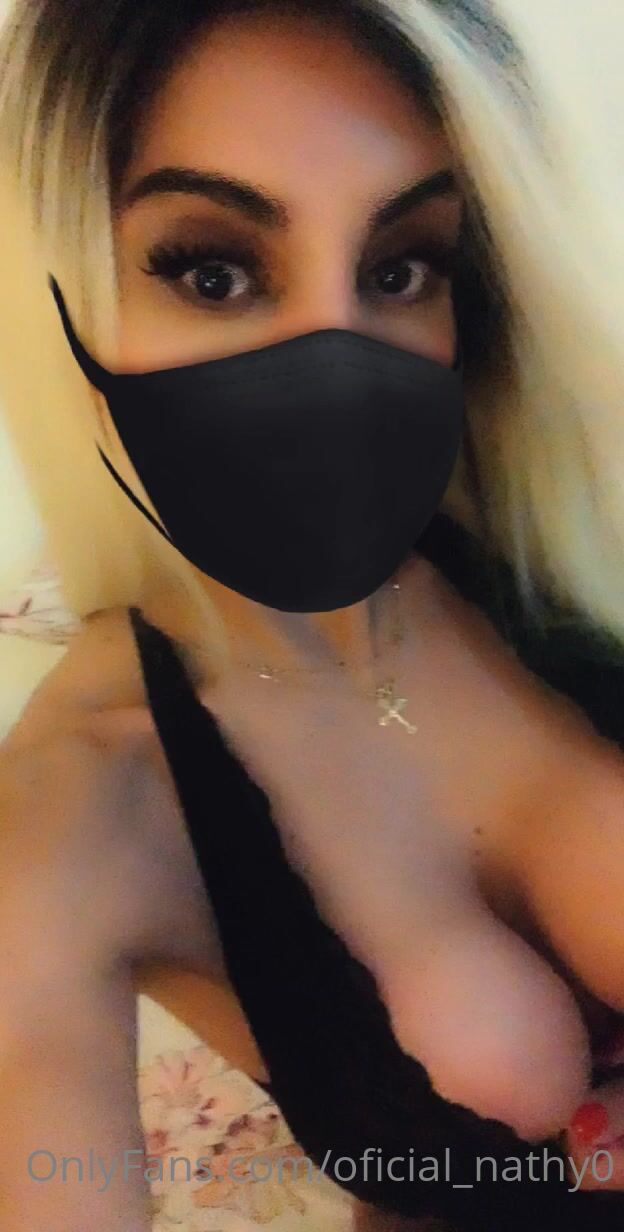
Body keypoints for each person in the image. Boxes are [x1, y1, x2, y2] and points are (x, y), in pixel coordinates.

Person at [0, 0, 624, 1228]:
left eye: (399, 268)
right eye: (214, 270)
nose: (334, 359)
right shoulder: (78, 815)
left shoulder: (558, 536)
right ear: (64, 296)